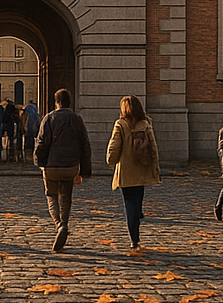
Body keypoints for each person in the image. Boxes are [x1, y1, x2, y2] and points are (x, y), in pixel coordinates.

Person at [34, 88, 92, 252]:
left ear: (56, 102)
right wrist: (84, 170)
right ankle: (65, 224)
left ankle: (58, 225)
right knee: (66, 196)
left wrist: (40, 162)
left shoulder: (49, 118)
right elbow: (84, 145)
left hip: (51, 166)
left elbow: (41, 143)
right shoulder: (77, 119)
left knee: (51, 195)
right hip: (70, 167)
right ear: (70, 102)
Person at [105, 95, 161, 249]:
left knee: (129, 203)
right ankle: (137, 214)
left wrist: (110, 161)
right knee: (137, 198)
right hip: (141, 169)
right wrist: (155, 166)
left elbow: (113, 147)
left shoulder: (120, 125)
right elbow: (154, 147)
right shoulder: (145, 124)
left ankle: (134, 238)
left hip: (126, 171)